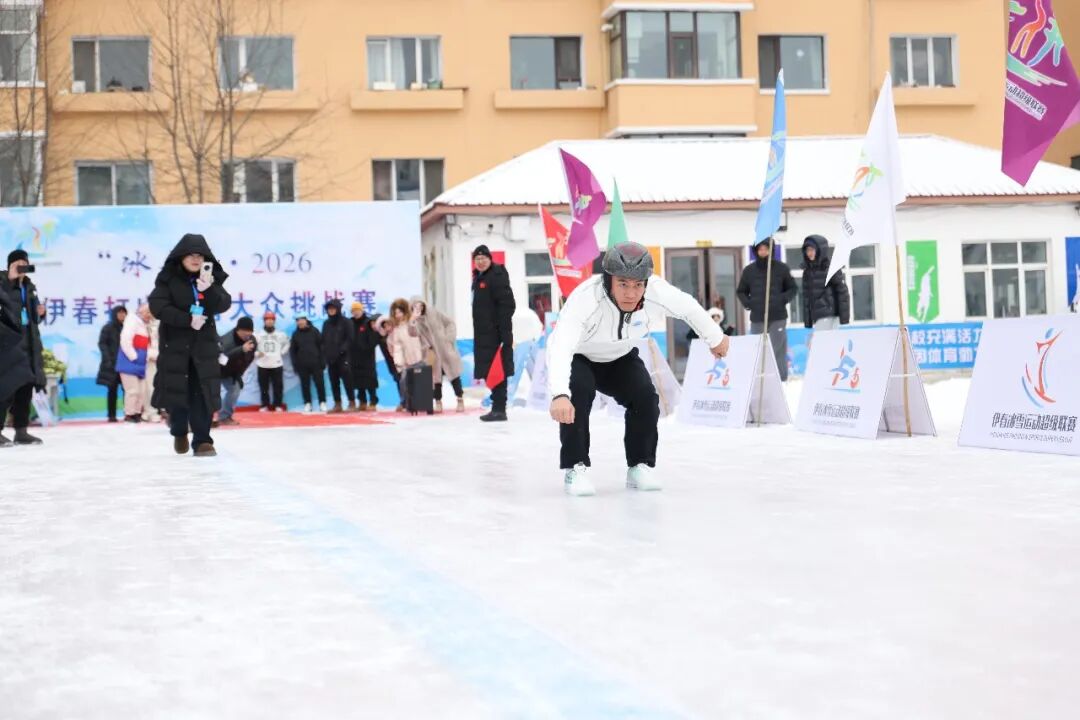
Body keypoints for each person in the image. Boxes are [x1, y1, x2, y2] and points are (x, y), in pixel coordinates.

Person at [547, 242, 730, 497]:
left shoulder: (655, 291)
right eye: (623, 284)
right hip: (580, 356)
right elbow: (561, 346)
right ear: (608, 281)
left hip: (619, 356)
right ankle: (575, 467)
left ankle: (639, 465)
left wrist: (715, 337)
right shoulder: (586, 298)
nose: (631, 293)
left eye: (637, 285)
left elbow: (687, 307)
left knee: (645, 396)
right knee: (577, 393)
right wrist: (559, 394)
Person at [147, 233, 232, 457]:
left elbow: (224, 303)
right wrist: (186, 320)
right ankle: (179, 430)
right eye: (190, 255)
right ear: (181, 257)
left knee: (202, 394)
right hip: (176, 347)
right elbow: (158, 306)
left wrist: (209, 290)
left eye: (200, 255)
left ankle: (203, 440)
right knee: (177, 396)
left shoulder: (210, 278)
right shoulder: (168, 279)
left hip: (203, 348)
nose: (195, 259)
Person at [0, 249, 45, 447]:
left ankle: (21, 430)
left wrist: (40, 313)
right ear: (10, 265)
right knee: (6, 388)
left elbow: (31, 317)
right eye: (17, 263)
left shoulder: (29, 286)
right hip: (8, 344)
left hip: (29, 343)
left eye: (24, 263)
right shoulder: (2, 282)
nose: (21, 267)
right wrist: (9, 280)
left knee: (26, 388)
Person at [736, 238, 796, 381]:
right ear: (756, 251)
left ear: (771, 250)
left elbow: (793, 288)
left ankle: (781, 379)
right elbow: (741, 291)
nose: (763, 252)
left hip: (778, 316)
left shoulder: (782, 268)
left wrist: (782, 299)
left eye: (766, 249)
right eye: (760, 249)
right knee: (758, 349)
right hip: (757, 317)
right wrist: (749, 304)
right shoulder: (749, 271)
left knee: (777, 349)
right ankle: (758, 378)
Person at [471, 245, 515, 422]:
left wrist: (503, 333)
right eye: (477, 259)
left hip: (497, 334)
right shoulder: (479, 278)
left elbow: (507, 305)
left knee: (498, 370)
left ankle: (499, 409)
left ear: (490, 259)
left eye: (483, 258)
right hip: (484, 335)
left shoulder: (497, 276)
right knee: (490, 370)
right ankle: (496, 406)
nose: (480, 262)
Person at [411, 296, 465, 413]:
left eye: (420, 304)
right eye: (415, 306)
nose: (418, 307)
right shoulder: (417, 321)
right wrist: (413, 319)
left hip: (445, 349)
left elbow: (450, 323)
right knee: (436, 379)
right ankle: (438, 402)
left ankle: (460, 400)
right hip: (432, 352)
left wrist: (448, 339)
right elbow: (412, 333)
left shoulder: (434, 312)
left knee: (454, 375)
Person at [800, 234, 850, 332]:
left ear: (820, 250)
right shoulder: (807, 271)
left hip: (829, 314)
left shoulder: (830, 268)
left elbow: (842, 291)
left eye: (812, 250)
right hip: (817, 316)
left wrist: (844, 319)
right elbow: (806, 298)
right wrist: (808, 322)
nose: (809, 253)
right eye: (807, 250)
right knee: (826, 345)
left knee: (821, 344)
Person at [217, 316, 257, 426]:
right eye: (245, 332)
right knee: (208, 395)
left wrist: (238, 375)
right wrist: (241, 349)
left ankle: (225, 417)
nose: (247, 335)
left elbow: (248, 359)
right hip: (215, 370)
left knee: (235, 389)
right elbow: (222, 359)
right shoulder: (226, 341)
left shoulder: (252, 341)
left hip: (231, 371)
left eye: (250, 332)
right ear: (238, 330)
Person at [117, 304, 152, 422]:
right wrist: (134, 357)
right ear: (141, 312)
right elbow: (125, 340)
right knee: (132, 390)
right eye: (148, 313)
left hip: (140, 363)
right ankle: (129, 414)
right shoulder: (132, 321)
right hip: (129, 362)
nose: (150, 316)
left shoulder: (145, 325)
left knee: (141, 391)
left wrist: (144, 359)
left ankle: (137, 413)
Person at [388, 298, 424, 410]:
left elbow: (422, 338)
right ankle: (405, 403)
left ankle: (423, 402)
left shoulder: (413, 323)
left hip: (420, 358)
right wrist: (399, 364)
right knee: (403, 381)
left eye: (400, 312)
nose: (398, 315)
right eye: (396, 313)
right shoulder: (396, 330)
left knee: (422, 382)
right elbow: (397, 348)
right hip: (407, 362)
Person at [321, 298, 355, 413]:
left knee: (347, 381)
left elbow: (350, 339)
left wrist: (341, 350)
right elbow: (323, 340)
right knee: (334, 382)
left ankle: (352, 402)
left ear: (338, 309)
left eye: (333, 308)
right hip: (330, 358)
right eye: (329, 309)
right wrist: (325, 354)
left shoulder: (346, 322)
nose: (331, 311)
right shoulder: (326, 324)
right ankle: (337, 404)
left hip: (343, 357)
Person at [290, 313, 327, 413]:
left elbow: (321, 347)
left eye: (302, 319)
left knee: (320, 383)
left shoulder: (314, 331)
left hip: (316, 363)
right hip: (302, 364)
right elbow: (293, 351)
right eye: (298, 320)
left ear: (306, 320)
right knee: (305, 384)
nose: (300, 322)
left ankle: (322, 402)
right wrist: (295, 365)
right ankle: (307, 403)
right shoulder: (295, 334)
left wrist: (323, 361)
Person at [96, 305, 127, 423]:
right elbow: (102, 344)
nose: (122, 315)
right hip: (111, 364)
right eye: (119, 313)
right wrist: (107, 359)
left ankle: (128, 413)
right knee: (112, 390)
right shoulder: (108, 327)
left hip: (126, 363)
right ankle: (111, 415)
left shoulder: (128, 327)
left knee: (127, 390)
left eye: (124, 313)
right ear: (114, 314)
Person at [255, 311, 288, 412]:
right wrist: (257, 354)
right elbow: (252, 347)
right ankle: (265, 404)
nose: (269, 322)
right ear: (264, 321)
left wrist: (282, 352)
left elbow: (287, 344)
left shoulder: (280, 334)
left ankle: (277, 404)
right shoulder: (258, 334)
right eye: (267, 320)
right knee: (263, 386)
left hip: (276, 364)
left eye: (271, 320)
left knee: (278, 386)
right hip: (262, 364)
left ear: (274, 321)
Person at [350, 302, 379, 411]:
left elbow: (374, 338)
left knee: (370, 379)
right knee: (357, 380)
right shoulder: (350, 322)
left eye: (357, 310)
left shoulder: (368, 322)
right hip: (354, 356)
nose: (355, 312)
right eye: (353, 311)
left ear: (362, 310)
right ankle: (362, 401)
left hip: (367, 356)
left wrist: (367, 347)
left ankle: (373, 401)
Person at [373, 314, 401, 410]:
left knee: (404, 381)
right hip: (391, 363)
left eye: (389, 324)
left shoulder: (398, 333)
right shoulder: (381, 337)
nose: (387, 327)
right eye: (384, 325)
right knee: (398, 380)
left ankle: (407, 401)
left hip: (402, 361)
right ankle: (403, 400)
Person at [142, 311, 162, 423]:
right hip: (148, 360)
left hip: (162, 359)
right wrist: (150, 354)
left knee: (162, 386)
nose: (148, 315)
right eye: (145, 312)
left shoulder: (160, 323)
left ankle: (161, 410)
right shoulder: (140, 325)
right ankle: (150, 412)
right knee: (149, 387)